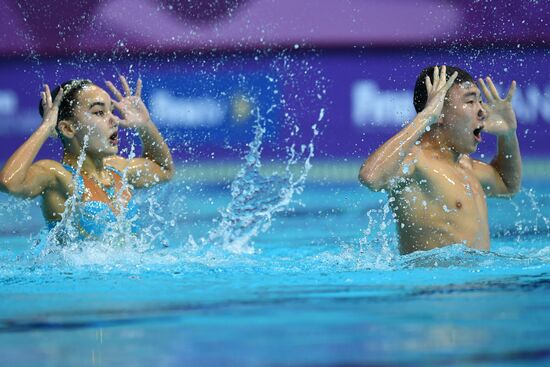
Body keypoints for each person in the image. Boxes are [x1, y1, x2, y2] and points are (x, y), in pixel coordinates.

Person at [359, 65, 521, 254]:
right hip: (436, 282)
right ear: (439, 112)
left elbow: (507, 186)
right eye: (470, 102)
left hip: (476, 280)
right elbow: (371, 177)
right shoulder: (417, 162)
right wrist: (426, 116)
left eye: (480, 101)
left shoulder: (465, 165)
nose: (482, 111)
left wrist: (508, 135)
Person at [0, 76, 174, 238]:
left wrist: (145, 125)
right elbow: (9, 182)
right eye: (99, 112)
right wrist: (46, 127)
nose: (114, 120)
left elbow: (163, 170)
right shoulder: (58, 177)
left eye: (112, 111)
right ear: (68, 129)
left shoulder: (118, 169)